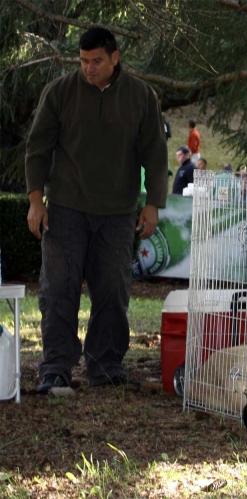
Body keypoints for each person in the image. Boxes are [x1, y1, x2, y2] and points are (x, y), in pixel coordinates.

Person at [25, 27, 168, 394]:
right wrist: (36, 202)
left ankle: (105, 366)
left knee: (112, 290)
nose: (89, 68)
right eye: (84, 61)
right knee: (59, 289)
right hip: (66, 209)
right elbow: (38, 148)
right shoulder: (59, 92)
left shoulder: (140, 96)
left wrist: (152, 204)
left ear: (114, 58)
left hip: (118, 213)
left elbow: (154, 153)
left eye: (97, 61)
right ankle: (55, 368)